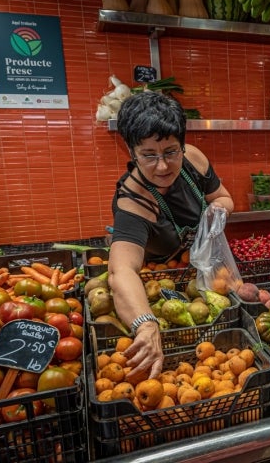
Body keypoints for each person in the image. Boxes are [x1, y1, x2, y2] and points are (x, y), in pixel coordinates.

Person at [108, 91, 234, 382]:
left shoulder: (194, 161)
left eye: (170, 152)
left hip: (201, 279)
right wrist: (146, 324)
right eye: (149, 155)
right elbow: (121, 270)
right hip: (156, 286)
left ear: (182, 144)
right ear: (131, 151)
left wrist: (214, 215)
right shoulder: (133, 201)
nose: (162, 166)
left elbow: (225, 198)